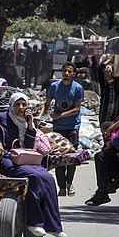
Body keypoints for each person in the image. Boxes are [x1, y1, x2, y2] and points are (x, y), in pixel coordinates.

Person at [0, 93, 67, 237]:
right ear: (11, 106)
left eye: (23, 104)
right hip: (7, 159)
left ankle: (53, 227)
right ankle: (34, 222)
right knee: (34, 177)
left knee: (48, 178)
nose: (20, 108)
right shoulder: (1, 118)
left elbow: (30, 146)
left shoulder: (27, 122)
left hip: (25, 157)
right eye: (17, 104)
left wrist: (30, 125)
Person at [41, 62, 84, 196]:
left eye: (70, 71)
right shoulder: (54, 86)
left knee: (71, 157)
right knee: (59, 157)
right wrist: (39, 115)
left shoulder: (78, 88)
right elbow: (47, 104)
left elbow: (77, 109)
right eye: (65, 71)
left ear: (74, 74)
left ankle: (69, 183)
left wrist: (60, 115)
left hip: (72, 127)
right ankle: (61, 187)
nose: (66, 74)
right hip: (58, 128)